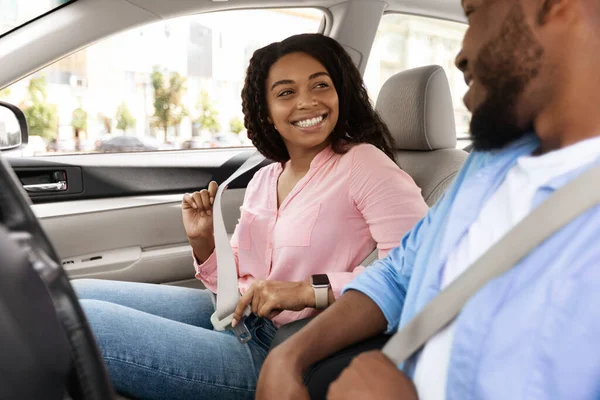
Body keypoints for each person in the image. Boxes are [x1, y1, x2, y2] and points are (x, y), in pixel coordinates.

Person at [256, 1, 600, 399]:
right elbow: (400, 272)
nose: (461, 54)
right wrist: (290, 356)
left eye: (473, 14)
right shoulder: (487, 164)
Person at [72, 33, 428, 400]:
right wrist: (205, 243)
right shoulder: (265, 177)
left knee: (81, 327)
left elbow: (418, 269)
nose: (307, 101)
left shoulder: (363, 164)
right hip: (235, 314)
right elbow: (237, 279)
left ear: (340, 94)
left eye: (320, 85)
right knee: (72, 296)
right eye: (286, 92)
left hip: (280, 349)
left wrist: (308, 289)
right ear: (267, 112)